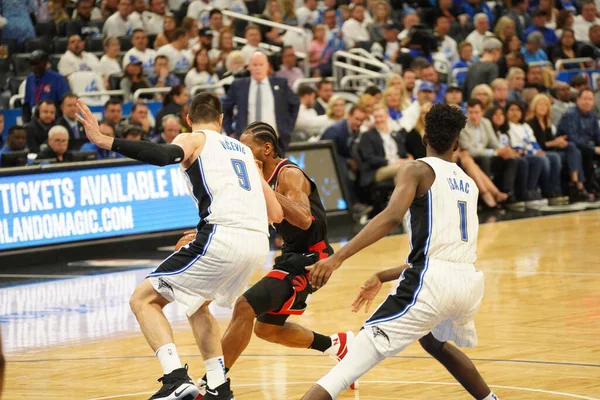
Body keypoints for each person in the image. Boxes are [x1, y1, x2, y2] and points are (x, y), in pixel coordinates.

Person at [76, 93, 284, 400]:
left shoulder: (195, 139)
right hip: (256, 244)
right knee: (195, 303)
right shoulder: (242, 151)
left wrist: (104, 139)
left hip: (223, 236)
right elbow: (276, 214)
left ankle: (174, 379)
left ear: (188, 118)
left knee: (143, 300)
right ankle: (218, 385)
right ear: (222, 119)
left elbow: (163, 155)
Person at [301, 103, 499, 400]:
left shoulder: (416, 169)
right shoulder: (469, 184)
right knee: (433, 342)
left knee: (349, 366)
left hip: (432, 285)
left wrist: (338, 257)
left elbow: (392, 216)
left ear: (423, 138)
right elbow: (443, 252)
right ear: (457, 143)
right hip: (467, 283)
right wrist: (383, 274)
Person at [194, 121, 357, 397]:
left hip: (313, 259)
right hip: (291, 257)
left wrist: (264, 189)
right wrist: (199, 233)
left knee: (245, 306)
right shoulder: (256, 180)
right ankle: (337, 345)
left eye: (246, 148)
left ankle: (214, 383)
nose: (241, 153)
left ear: (266, 149)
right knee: (267, 329)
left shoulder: (288, 173)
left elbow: (305, 220)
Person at [223, 52, 300, 151]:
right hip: (245, 143)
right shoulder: (239, 85)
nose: (258, 68)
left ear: (267, 66)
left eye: (261, 65)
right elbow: (225, 108)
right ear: (249, 66)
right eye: (255, 65)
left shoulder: (281, 83)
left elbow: (295, 103)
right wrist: (230, 132)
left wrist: (287, 128)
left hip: (275, 141)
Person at [526, 94, 588, 201]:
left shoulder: (548, 123)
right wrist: (553, 143)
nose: (542, 107)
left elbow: (550, 142)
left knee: (573, 148)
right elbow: (535, 144)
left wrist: (559, 143)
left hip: (549, 151)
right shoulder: (530, 123)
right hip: (538, 152)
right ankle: (558, 189)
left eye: (545, 105)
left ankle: (575, 181)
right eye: (540, 105)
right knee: (556, 157)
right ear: (534, 106)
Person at [459, 99, 518, 203]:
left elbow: (494, 143)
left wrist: (504, 150)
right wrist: (495, 152)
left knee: (510, 159)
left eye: (476, 112)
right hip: (473, 157)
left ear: (482, 112)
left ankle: (507, 194)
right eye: (470, 112)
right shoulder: (462, 125)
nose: (473, 116)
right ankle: (487, 198)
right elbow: (469, 150)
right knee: (484, 159)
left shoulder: (486, 122)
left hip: (486, 154)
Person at [556, 88, 600, 197]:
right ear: (578, 100)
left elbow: (597, 135)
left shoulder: (592, 116)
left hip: (586, 146)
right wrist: (593, 148)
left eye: (590, 99)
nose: (587, 102)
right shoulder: (570, 115)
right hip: (569, 148)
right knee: (585, 152)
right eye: (585, 99)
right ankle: (584, 188)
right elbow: (572, 138)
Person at [357, 104, 412, 188]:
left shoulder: (394, 133)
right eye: (376, 117)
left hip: (397, 166)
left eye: (381, 116)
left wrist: (408, 157)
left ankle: (406, 200)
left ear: (387, 116)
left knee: (409, 169)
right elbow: (369, 158)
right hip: (377, 170)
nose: (379, 120)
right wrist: (393, 161)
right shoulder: (367, 136)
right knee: (402, 169)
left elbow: (402, 152)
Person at [23, 50, 70, 124]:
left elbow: (64, 103)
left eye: (35, 64)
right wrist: (26, 122)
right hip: (34, 120)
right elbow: (26, 104)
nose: (32, 67)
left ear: (44, 64)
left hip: (53, 120)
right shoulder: (30, 78)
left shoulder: (58, 78)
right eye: (31, 64)